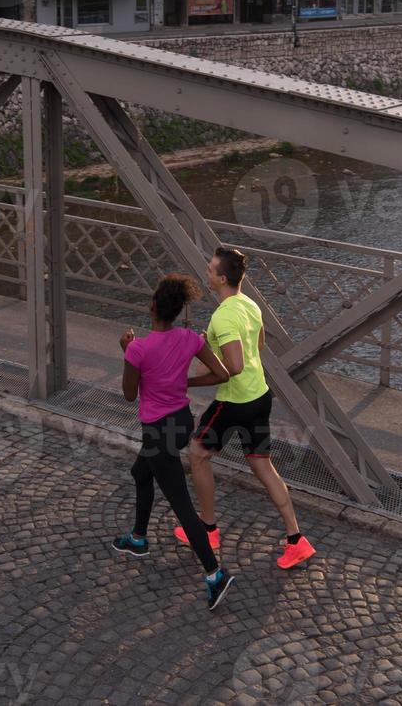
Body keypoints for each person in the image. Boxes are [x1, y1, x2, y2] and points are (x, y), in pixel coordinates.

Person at [174, 247, 316, 569]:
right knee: (263, 466)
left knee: (197, 453)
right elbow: (260, 344)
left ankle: (208, 530)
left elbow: (234, 366)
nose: (207, 273)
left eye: (211, 270)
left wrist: (189, 382)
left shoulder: (223, 316)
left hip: (234, 400)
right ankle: (296, 540)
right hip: (260, 396)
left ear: (222, 278)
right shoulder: (249, 304)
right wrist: (216, 347)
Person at [112, 273, 235, 611]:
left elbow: (127, 394)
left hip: (157, 431)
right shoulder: (191, 339)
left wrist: (127, 352)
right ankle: (137, 538)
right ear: (179, 310)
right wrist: (185, 382)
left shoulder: (138, 348)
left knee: (181, 505)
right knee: (141, 472)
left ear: (153, 307)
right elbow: (223, 374)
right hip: (182, 423)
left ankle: (214, 574)